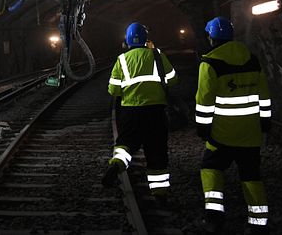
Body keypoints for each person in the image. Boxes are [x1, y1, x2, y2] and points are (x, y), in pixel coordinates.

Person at [195, 16, 271, 234]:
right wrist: (265, 124)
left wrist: (203, 128)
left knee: (210, 169)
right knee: (251, 175)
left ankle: (214, 218)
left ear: (211, 37)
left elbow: (204, 102)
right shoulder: (252, 60)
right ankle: (258, 222)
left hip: (222, 133)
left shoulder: (209, 63)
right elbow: (264, 97)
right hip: (250, 132)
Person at [102, 22, 178, 204]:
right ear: (146, 40)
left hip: (130, 111)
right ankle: (160, 193)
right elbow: (173, 80)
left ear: (126, 41)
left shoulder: (121, 60)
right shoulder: (157, 56)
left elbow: (113, 90)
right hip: (155, 111)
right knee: (156, 151)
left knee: (126, 143)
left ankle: (117, 164)